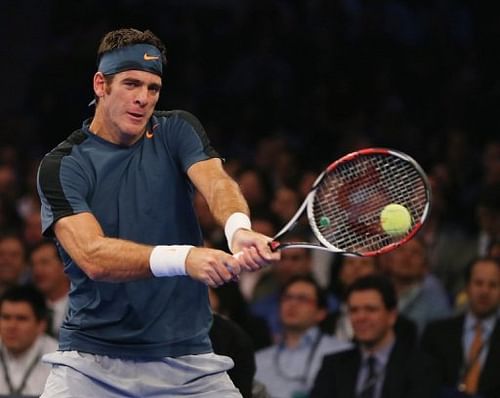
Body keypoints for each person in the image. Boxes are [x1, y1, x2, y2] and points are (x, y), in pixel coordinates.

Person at [36, 28, 279, 398]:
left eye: (153, 88)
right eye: (131, 84)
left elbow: (216, 182)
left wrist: (237, 228)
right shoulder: (63, 165)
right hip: (90, 365)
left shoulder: (175, 129)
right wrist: (184, 258)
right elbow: (92, 255)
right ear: (101, 84)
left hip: (189, 363)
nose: (143, 99)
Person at [311, 274, 439, 398]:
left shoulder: (420, 367)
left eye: (370, 309)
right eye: (354, 310)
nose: (361, 317)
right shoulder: (333, 366)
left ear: (392, 316)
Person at [254, 274, 351, 398]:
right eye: (287, 298)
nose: (292, 304)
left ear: (321, 313)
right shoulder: (259, 360)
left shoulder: (342, 352)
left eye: (302, 299)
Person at [421, 257, 500, 398]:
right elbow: (424, 385)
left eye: (493, 285)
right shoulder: (436, 334)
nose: (484, 291)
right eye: (478, 283)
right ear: (467, 287)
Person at [0, 285, 58, 397]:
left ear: (41, 325)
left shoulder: (58, 359)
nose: (12, 326)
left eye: (21, 318)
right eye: (6, 317)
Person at [30, 239, 70, 337]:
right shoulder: (29, 306)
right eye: (33, 265)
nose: (37, 270)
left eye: (44, 263)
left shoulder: (85, 305)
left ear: (65, 266)